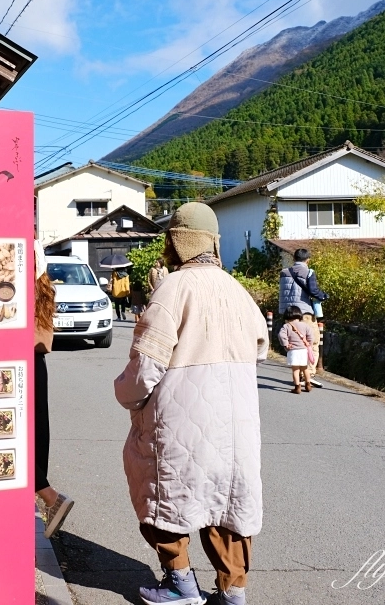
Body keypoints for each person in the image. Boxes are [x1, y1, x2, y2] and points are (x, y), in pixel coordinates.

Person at [114, 203, 268, 605]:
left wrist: (125, 394)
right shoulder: (237, 290)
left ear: (175, 241)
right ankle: (234, 592)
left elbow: (146, 367)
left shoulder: (172, 289)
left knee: (166, 495)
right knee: (229, 504)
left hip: (180, 421)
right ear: (212, 244)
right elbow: (262, 348)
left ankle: (180, 583)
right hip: (236, 424)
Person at [33, 242, 75, 538]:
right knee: (37, 434)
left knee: (20, 437)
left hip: (20, 363)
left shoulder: (24, 288)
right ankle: (44, 499)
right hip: (37, 363)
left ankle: (50, 497)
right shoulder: (44, 286)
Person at [278, 248, 328, 372]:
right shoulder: (309, 272)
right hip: (304, 312)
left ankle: (297, 371)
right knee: (312, 342)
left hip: (288, 314)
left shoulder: (284, 272)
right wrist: (324, 296)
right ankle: (308, 373)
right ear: (308, 260)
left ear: (294, 259)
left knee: (295, 344)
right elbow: (313, 291)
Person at [278, 306, 315, 394]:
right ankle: (308, 385)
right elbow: (311, 336)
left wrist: (286, 344)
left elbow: (281, 335)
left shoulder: (286, 326)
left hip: (293, 350)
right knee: (305, 368)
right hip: (303, 350)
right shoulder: (305, 325)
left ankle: (297, 387)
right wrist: (309, 343)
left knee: (295, 370)